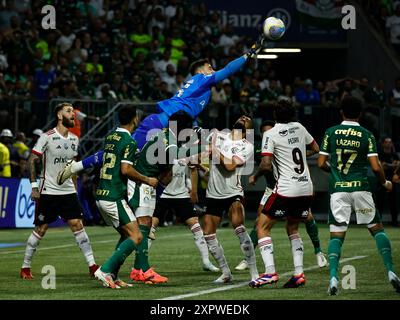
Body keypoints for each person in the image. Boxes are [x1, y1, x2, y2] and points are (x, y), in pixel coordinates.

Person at [56, 37, 265, 184]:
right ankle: (76, 167)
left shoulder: (196, 91)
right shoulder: (202, 79)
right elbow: (228, 70)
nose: (213, 70)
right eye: (210, 67)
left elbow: (187, 116)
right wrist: (249, 54)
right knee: (122, 152)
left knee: (168, 163)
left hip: (173, 126)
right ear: (201, 71)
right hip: (161, 123)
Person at [317, 96, 400, 295]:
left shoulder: (331, 132)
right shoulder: (366, 135)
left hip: (338, 190)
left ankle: (334, 278)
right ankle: (390, 272)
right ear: (360, 113)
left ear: (341, 112)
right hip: (361, 188)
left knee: (337, 235)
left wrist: (336, 172)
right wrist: (384, 182)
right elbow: (375, 166)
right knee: (377, 230)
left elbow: (320, 163)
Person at [20, 102, 99, 280]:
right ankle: (25, 267)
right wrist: (34, 187)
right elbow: (32, 160)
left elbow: (72, 167)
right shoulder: (46, 137)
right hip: (48, 191)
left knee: (78, 225)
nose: (73, 115)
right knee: (41, 229)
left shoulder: (74, 139)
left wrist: (75, 187)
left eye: (73, 111)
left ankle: (93, 266)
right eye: (69, 111)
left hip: (68, 192)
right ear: (59, 115)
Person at [236, 120, 327, 271]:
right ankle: (248, 259)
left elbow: (312, 150)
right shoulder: (260, 147)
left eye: (269, 131)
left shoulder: (281, 143)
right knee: (260, 220)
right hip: (272, 188)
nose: (267, 134)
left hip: (289, 186)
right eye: (264, 132)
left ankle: (318, 251)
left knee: (307, 218)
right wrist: (256, 176)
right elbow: (253, 154)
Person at [249, 100, 320, 289]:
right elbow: (316, 149)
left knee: (262, 226)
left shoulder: (270, 134)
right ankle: (298, 274)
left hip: (287, 188)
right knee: (293, 227)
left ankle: (270, 272)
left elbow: (265, 164)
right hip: (306, 187)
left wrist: (256, 175)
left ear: (275, 115)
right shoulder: (299, 127)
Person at [94, 105, 158, 289]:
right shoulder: (129, 142)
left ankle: (112, 275)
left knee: (126, 235)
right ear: (135, 119)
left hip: (102, 193)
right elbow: (126, 169)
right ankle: (104, 270)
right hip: (114, 196)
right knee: (137, 236)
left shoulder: (110, 137)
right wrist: (147, 179)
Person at [129, 111, 194, 284]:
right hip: (141, 183)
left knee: (145, 226)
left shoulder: (163, 135)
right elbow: (166, 175)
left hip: (146, 184)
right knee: (141, 227)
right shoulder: (169, 142)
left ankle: (138, 269)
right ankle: (140, 270)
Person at [202, 115, 259, 284]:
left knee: (239, 228)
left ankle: (254, 273)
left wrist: (215, 150)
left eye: (248, 118)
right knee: (208, 235)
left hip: (232, 192)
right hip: (213, 192)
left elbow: (229, 166)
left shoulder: (246, 146)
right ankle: (226, 273)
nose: (244, 117)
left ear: (249, 128)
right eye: (242, 116)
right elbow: (205, 156)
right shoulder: (218, 135)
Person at [149, 158, 219, 273]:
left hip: (181, 195)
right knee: (150, 227)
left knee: (195, 226)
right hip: (162, 194)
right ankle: (142, 265)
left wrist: (194, 192)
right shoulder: (163, 149)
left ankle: (206, 262)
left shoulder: (186, 150)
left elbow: (193, 170)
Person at [377, 137, 399, 226]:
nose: (388, 144)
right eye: (386, 142)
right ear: (383, 144)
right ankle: (378, 222)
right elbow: (382, 166)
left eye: (390, 142)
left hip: (393, 180)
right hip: (382, 180)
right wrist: (392, 165)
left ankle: (394, 222)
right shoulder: (380, 154)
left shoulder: (395, 155)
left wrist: (387, 165)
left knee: (394, 201)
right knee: (379, 202)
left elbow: (397, 166)